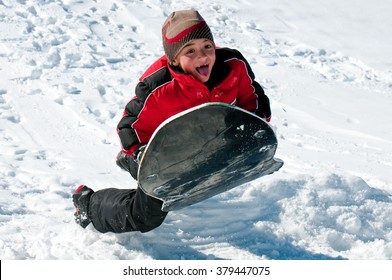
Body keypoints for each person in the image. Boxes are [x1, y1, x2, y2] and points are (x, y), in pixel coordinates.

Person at [72, 9, 271, 233]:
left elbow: (253, 96)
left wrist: (254, 125)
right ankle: (89, 203)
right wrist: (141, 154)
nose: (203, 56)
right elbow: (129, 126)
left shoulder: (233, 66)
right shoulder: (158, 87)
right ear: (174, 58)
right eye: (190, 51)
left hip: (207, 147)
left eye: (207, 46)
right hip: (164, 158)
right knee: (146, 217)